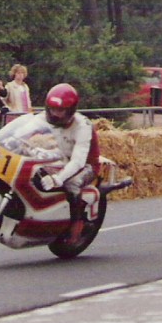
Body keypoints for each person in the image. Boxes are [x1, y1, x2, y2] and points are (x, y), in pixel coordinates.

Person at [37, 83, 101, 245]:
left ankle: (76, 224)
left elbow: (78, 161)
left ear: (70, 110)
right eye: (52, 109)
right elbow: (24, 129)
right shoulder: (41, 118)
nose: (55, 114)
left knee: (71, 184)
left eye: (60, 110)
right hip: (58, 158)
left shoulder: (82, 126)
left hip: (86, 165)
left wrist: (58, 179)